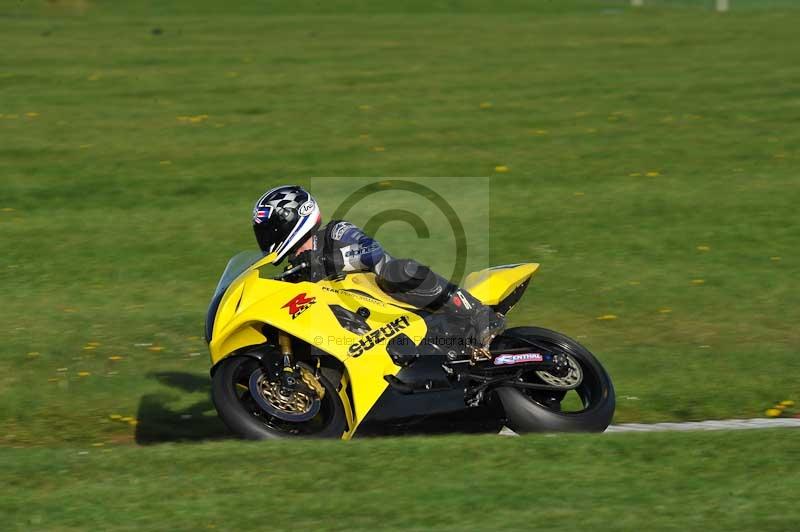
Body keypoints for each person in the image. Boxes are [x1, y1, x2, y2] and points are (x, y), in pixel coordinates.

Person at [252, 185, 505, 353]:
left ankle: (477, 313)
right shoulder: (293, 272)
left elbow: (372, 251)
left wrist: (322, 262)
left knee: (397, 270)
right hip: (360, 335)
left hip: (397, 307)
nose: (265, 239)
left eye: (267, 230)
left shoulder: (334, 232)